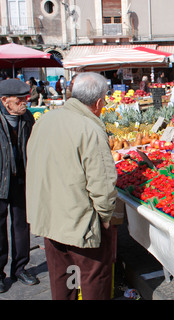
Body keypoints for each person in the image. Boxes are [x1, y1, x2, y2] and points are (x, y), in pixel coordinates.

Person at [25, 72, 117, 300]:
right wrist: (105, 218)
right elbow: (103, 185)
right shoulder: (91, 129)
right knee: (94, 280)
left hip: (50, 219)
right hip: (81, 223)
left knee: (62, 279)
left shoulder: (44, 121)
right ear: (98, 103)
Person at [0, 79, 38, 293]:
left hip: (21, 178)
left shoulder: (27, 118)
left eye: (26, 98)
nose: (25, 102)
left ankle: (20, 268)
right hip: (0, 179)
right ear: (5, 101)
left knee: (22, 226)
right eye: (20, 100)